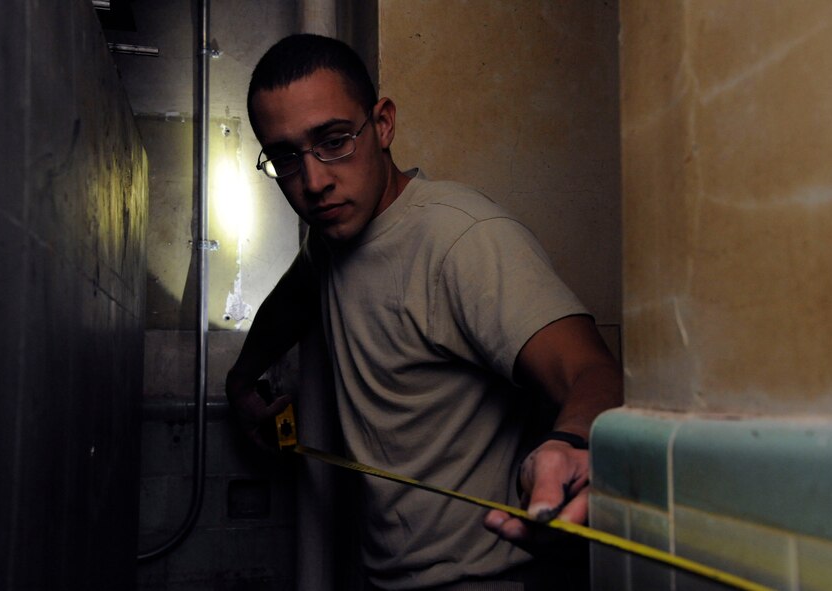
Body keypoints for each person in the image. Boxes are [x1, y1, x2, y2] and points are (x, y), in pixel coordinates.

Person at [226, 33, 622, 591]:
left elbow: (594, 371)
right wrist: (242, 380)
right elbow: (291, 301)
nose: (314, 182)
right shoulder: (331, 240)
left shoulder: (463, 239)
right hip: (389, 579)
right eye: (287, 158)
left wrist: (572, 443)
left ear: (383, 124)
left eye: (335, 140)